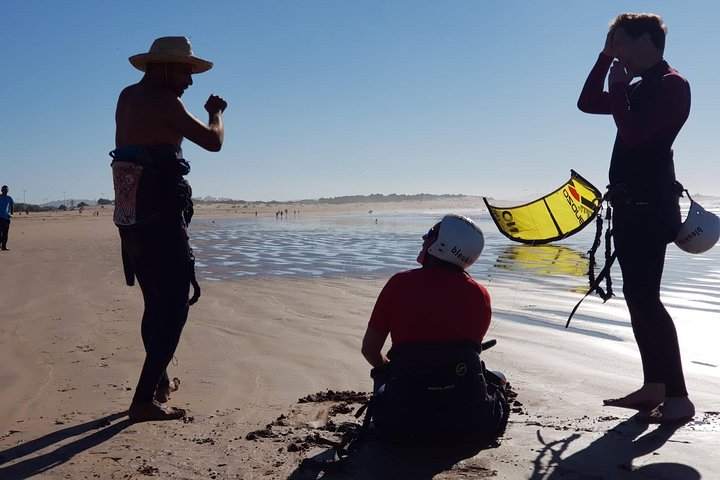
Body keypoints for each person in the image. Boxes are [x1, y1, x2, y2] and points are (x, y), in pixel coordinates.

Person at [577, 13, 694, 423]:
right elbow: (587, 103)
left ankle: (678, 397)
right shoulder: (639, 85)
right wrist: (604, 61)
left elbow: (635, 135)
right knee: (636, 298)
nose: (618, 52)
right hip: (630, 207)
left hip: (651, 207)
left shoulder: (671, 84)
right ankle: (654, 387)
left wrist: (620, 90)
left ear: (647, 40)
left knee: (647, 299)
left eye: (621, 43)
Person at [112, 36, 228, 421]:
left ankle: (159, 384)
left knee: (155, 305)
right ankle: (143, 400)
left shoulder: (127, 96)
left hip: (129, 218)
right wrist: (216, 114)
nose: (190, 81)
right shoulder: (164, 101)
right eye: (185, 71)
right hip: (159, 216)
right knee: (175, 307)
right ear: (162, 68)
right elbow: (213, 143)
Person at [361, 214, 507, 441]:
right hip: (469, 425)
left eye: (430, 233)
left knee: (384, 375)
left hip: (399, 425)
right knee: (498, 377)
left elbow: (370, 350)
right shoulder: (480, 294)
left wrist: (389, 367)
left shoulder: (398, 284)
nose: (423, 236)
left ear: (443, 245)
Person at [0, 185, 14, 251]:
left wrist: (11, 214)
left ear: (8, 191)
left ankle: (4, 246)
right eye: (4, 189)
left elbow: (12, 205)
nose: (5, 191)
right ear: (1, 190)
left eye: (6, 190)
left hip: (6, 218)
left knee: (5, 233)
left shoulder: (9, 198)